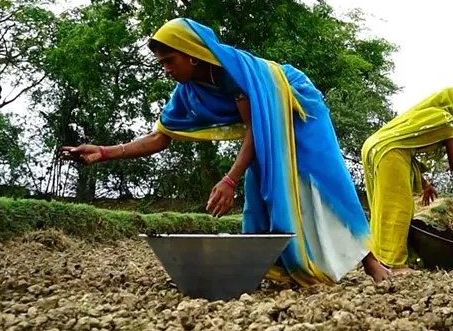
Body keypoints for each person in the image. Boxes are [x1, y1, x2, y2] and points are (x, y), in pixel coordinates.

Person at [61, 17, 390, 285]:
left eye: (169, 61)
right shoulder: (186, 92)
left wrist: (230, 180)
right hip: (262, 124)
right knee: (266, 183)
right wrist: (103, 152)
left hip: (297, 107)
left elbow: (256, 129)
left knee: (321, 179)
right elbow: (159, 138)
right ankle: (284, 264)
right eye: (161, 63)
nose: (165, 69)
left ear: (191, 54)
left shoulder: (232, 74)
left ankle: (371, 262)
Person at [360, 87, 453, 273]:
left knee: (382, 207)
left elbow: (406, 152)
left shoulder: (424, 115)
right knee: (398, 208)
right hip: (389, 152)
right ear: (451, 102)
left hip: (374, 147)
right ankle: (395, 263)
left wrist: (426, 185)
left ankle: (378, 257)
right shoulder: (446, 120)